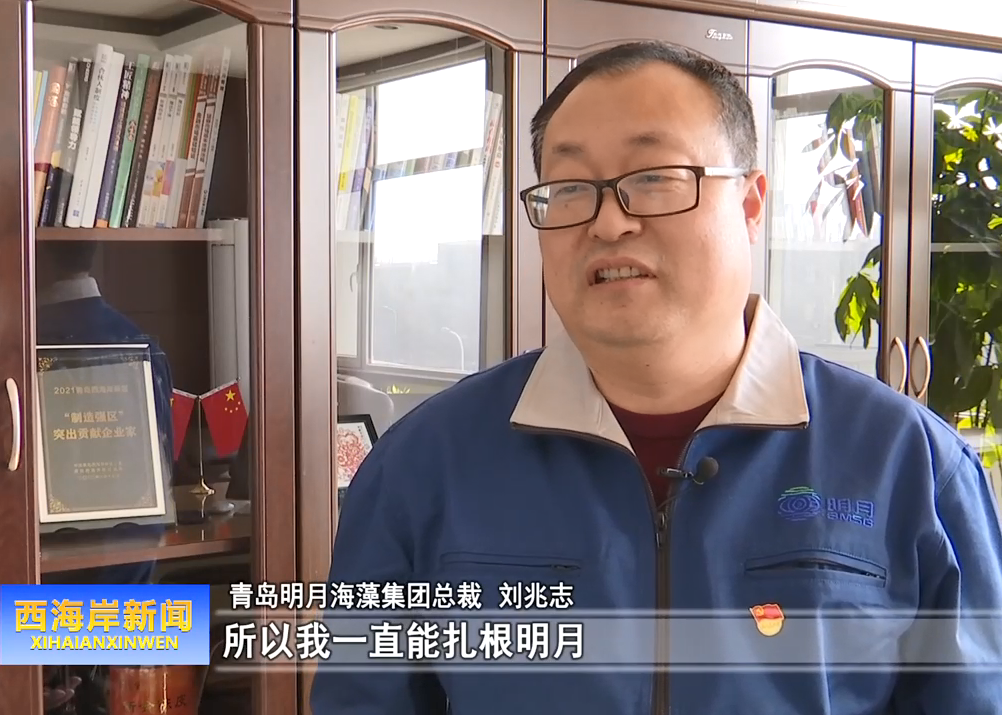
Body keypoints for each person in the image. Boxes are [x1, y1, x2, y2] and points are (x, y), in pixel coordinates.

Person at [310, 41, 1002, 714]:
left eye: (654, 178)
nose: (609, 222)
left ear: (750, 204)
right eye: (570, 188)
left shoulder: (913, 465)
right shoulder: (421, 464)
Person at [36, 240, 176, 584]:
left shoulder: (20, 343)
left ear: (33, 257)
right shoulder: (141, 342)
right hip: (132, 554)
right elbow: (165, 460)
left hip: (44, 563)